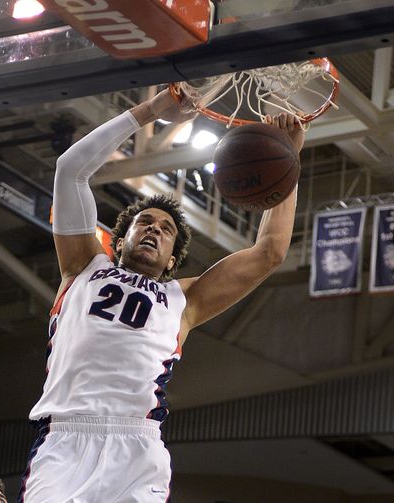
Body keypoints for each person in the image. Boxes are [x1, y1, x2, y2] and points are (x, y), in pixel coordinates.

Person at [18, 89, 305, 502]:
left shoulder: (186, 301)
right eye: (144, 222)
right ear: (120, 241)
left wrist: (289, 164)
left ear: (172, 261)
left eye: (166, 229)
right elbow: (70, 170)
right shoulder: (82, 266)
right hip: (65, 437)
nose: (154, 228)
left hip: (137, 445)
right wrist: (149, 111)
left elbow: (270, 252)